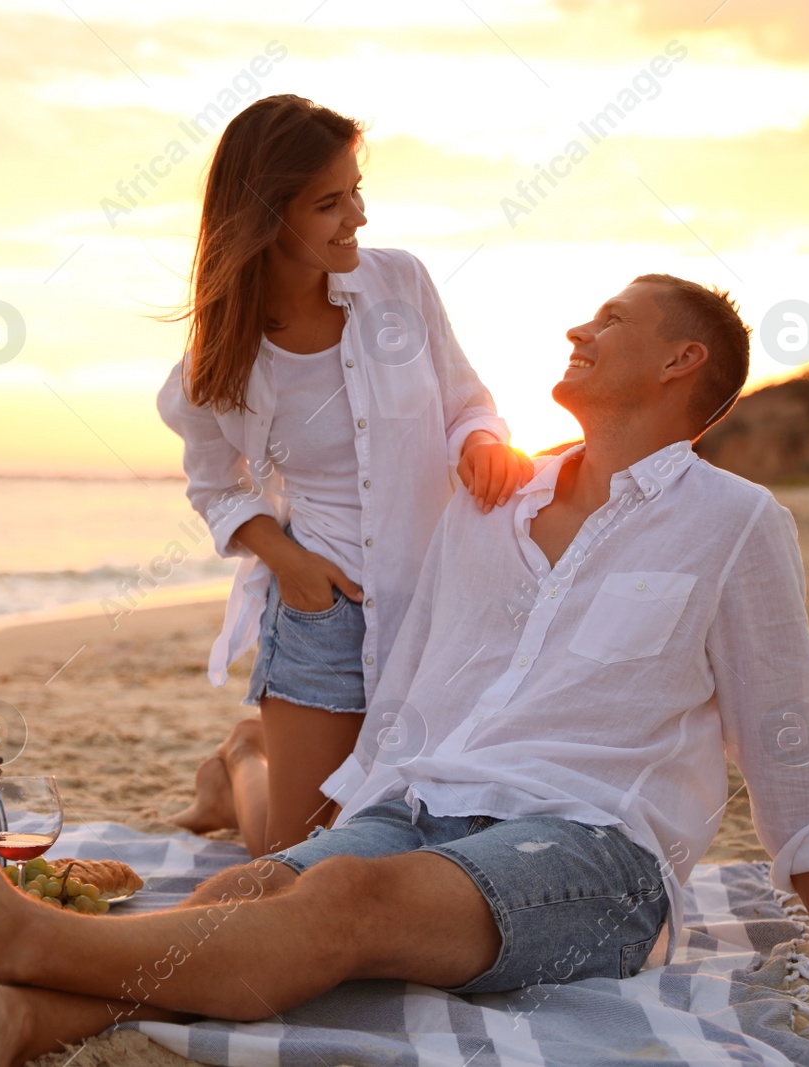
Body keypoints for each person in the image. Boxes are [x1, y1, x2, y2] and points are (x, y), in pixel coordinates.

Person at [0, 275, 809, 1067]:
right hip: (430, 802)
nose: (576, 326)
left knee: (341, 896)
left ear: (681, 360)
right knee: (250, 888)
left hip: (593, 846)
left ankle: (24, 936)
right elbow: (422, 680)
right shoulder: (493, 500)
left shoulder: (736, 523)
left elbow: (785, 729)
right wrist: (358, 801)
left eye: (609, 318)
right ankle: (16, 1023)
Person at [158, 94, 531, 857]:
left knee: (407, 839)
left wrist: (483, 442)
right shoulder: (220, 362)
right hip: (323, 612)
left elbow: (468, 403)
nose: (357, 215)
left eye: (356, 190)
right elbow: (216, 485)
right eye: (331, 202)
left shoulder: (402, 286)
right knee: (292, 858)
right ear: (267, 216)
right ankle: (241, 762)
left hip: (441, 609)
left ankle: (250, 751)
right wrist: (290, 564)